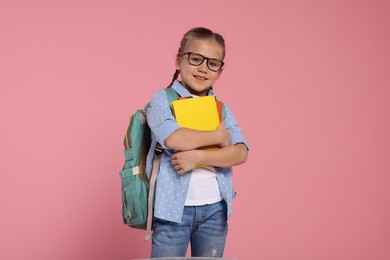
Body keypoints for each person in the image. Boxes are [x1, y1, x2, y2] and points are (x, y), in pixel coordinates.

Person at [145, 27, 249, 258]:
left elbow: (241, 152)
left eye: (213, 63)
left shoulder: (222, 108)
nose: (203, 68)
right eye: (196, 58)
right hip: (173, 211)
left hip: (216, 209)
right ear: (178, 60)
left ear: (220, 71)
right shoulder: (162, 99)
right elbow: (174, 137)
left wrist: (197, 157)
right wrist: (219, 137)